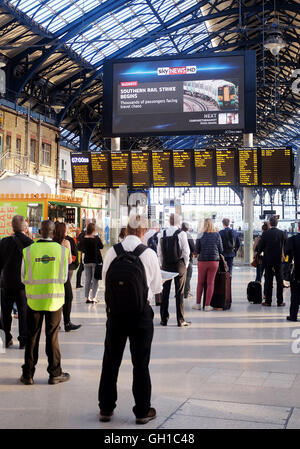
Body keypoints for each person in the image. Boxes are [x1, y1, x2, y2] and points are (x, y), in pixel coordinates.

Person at [98, 214, 162, 424]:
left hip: (115, 313)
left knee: (110, 361)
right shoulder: (149, 254)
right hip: (140, 315)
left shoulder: (111, 252)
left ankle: (106, 409)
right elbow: (156, 288)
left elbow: (105, 281)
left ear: (127, 229)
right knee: (140, 363)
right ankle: (143, 411)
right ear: (143, 231)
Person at [20, 220, 70, 385]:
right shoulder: (62, 251)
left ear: (40, 231)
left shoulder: (28, 251)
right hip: (54, 301)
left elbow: (23, 277)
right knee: (52, 337)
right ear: (54, 232)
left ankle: (28, 374)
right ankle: (55, 373)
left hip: (34, 301)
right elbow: (64, 278)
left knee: (32, 337)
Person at [0, 215, 33, 349]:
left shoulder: (3, 242)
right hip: (23, 284)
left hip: (6, 282)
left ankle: (6, 339)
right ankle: (24, 340)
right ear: (25, 227)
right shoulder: (30, 243)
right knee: (23, 311)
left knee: (5, 312)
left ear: (12, 227)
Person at [157, 213, 191, 327]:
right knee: (179, 293)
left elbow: (159, 252)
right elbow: (186, 252)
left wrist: (162, 264)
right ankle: (180, 320)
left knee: (165, 293)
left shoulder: (162, 233)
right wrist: (185, 265)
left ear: (169, 221)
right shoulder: (181, 234)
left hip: (166, 266)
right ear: (179, 221)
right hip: (178, 266)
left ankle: (163, 319)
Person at [53, 222, 81, 332]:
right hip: (63, 275)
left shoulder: (52, 242)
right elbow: (69, 260)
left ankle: (55, 323)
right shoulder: (66, 242)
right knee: (68, 297)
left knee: (56, 299)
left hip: (52, 274)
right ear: (62, 231)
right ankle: (67, 322)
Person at [193, 218, 223, 311]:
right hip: (214, 262)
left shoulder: (200, 235)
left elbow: (197, 250)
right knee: (210, 283)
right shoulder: (217, 235)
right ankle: (207, 305)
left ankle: (198, 304)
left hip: (202, 261)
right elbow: (221, 249)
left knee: (200, 283)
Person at [257, 215, 287, 307]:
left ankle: (268, 301)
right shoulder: (282, 233)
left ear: (270, 223)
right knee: (279, 280)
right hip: (279, 260)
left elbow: (260, 247)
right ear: (277, 223)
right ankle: (280, 301)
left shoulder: (265, 233)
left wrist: (259, 253)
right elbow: (286, 247)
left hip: (268, 260)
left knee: (268, 280)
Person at [81, 222, 103, 304]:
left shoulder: (84, 238)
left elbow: (82, 249)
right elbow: (101, 246)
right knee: (95, 280)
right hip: (95, 261)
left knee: (87, 279)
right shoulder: (96, 238)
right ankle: (94, 297)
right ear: (94, 230)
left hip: (87, 260)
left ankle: (87, 297)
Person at [285, 221, 300, 321]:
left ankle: (293, 315)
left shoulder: (292, 240)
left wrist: (287, 264)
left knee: (295, 294)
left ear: (298, 228)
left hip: (297, 271)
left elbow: (287, 256)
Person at [253, 222, 270, 298]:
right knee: (267, 277)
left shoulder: (259, 238)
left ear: (262, 230)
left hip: (260, 260)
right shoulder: (271, 238)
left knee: (258, 277)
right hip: (268, 259)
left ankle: (257, 294)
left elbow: (254, 249)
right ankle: (266, 294)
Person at [181, 222, 195, 299]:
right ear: (188, 228)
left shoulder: (178, 235)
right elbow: (193, 248)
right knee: (188, 276)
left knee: (180, 277)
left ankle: (179, 293)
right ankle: (186, 293)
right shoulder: (188, 236)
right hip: (188, 259)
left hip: (179, 260)